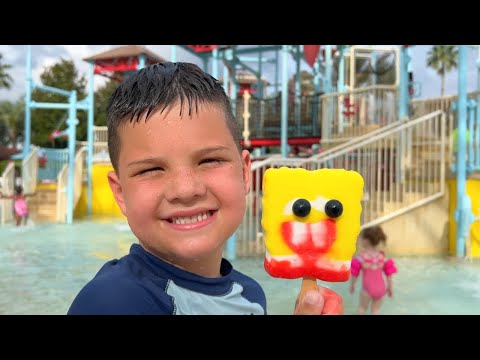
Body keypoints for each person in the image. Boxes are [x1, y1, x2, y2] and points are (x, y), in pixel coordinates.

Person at [67, 62, 341, 315]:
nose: (186, 190)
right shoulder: (113, 303)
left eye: (209, 160)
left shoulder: (250, 295)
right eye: (151, 169)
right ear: (120, 193)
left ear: (245, 173)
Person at [349, 225, 397, 315]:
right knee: (376, 311)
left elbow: (354, 274)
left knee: (362, 308)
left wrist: (352, 285)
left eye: (361, 238)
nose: (360, 240)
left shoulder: (361, 258)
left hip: (367, 289)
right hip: (381, 289)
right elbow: (389, 275)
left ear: (366, 241)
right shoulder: (383, 257)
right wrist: (390, 288)